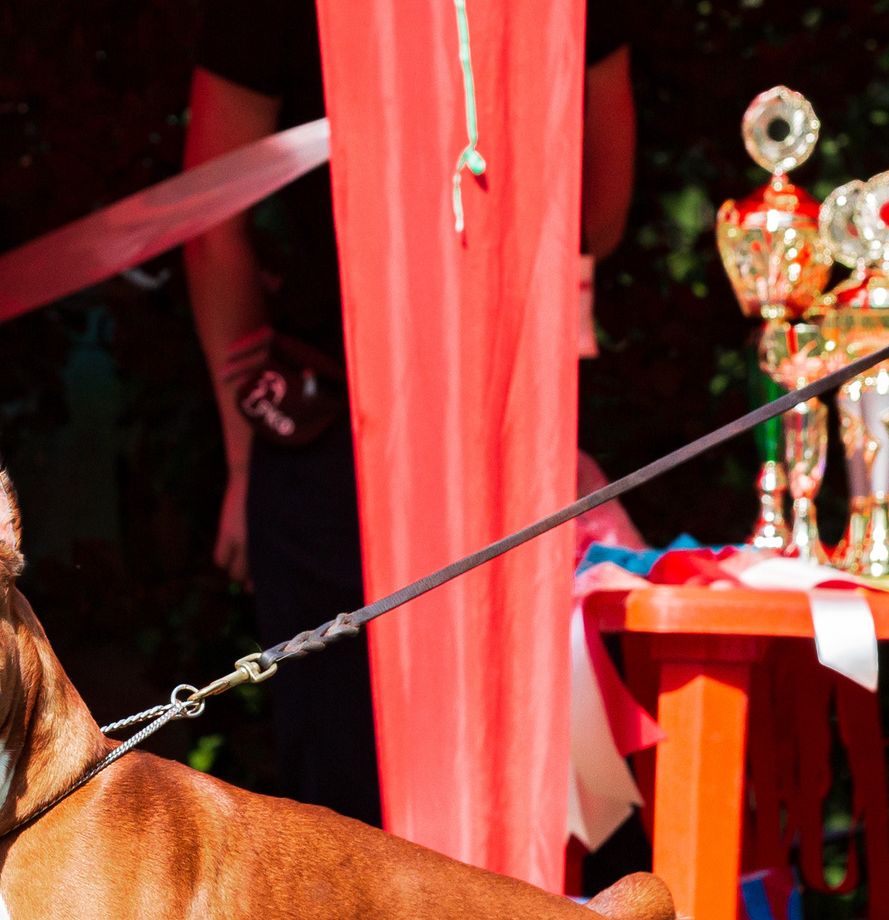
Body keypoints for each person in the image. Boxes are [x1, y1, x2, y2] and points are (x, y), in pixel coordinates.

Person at [183, 3, 635, 827]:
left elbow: (214, 230)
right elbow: (596, 213)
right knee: (405, 799)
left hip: (465, 430)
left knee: (378, 814)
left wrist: (247, 453)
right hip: (411, 429)